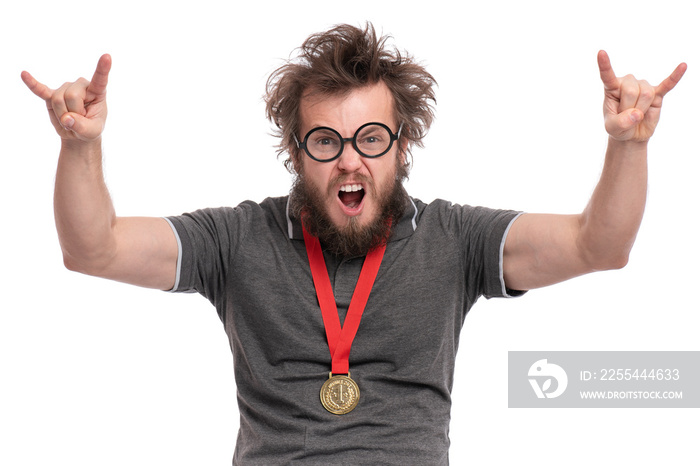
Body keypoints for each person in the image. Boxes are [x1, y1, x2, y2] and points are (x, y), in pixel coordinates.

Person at [22, 23, 685, 465]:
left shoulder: (453, 240)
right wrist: (80, 147)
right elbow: (93, 249)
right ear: (296, 151)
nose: (349, 163)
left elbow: (600, 245)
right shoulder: (235, 240)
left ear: (401, 146)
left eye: (371, 139)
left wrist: (627, 145)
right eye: (326, 142)